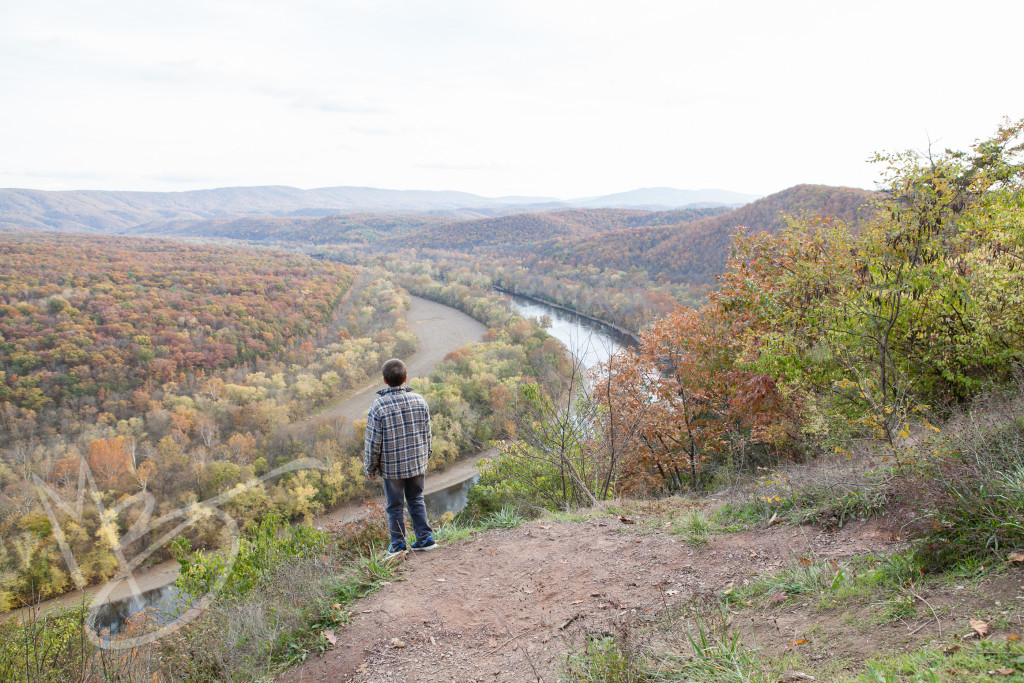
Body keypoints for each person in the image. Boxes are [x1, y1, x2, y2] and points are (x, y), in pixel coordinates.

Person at [363, 358, 436, 553]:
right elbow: (427, 433)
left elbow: (373, 443)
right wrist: (426, 455)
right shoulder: (420, 400)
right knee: (416, 498)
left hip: (392, 467)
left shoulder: (378, 406)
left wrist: (370, 468)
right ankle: (425, 538)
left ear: (384, 380)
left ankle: (398, 544)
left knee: (394, 506)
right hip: (417, 462)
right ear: (405, 378)